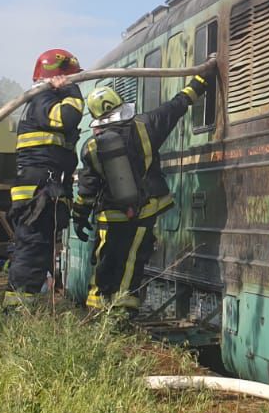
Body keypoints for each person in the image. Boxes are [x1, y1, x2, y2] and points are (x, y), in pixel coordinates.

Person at [72, 67, 213, 317]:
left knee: (105, 262)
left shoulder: (91, 146)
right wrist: (203, 78)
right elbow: (179, 103)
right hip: (143, 212)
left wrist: (80, 216)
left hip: (109, 218)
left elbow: (87, 187)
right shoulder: (147, 125)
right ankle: (122, 316)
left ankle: (97, 314)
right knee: (131, 263)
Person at [5, 48, 86, 308]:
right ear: (59, 77)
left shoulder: (46, 100)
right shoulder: (43, 100)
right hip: (36, 193)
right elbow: (68, 116)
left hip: (42, 190)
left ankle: (24, 308)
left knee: (36, 251)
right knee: (31, 252)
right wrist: (70, 91)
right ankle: (18, 311)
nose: (75, 84)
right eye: (71, 78)